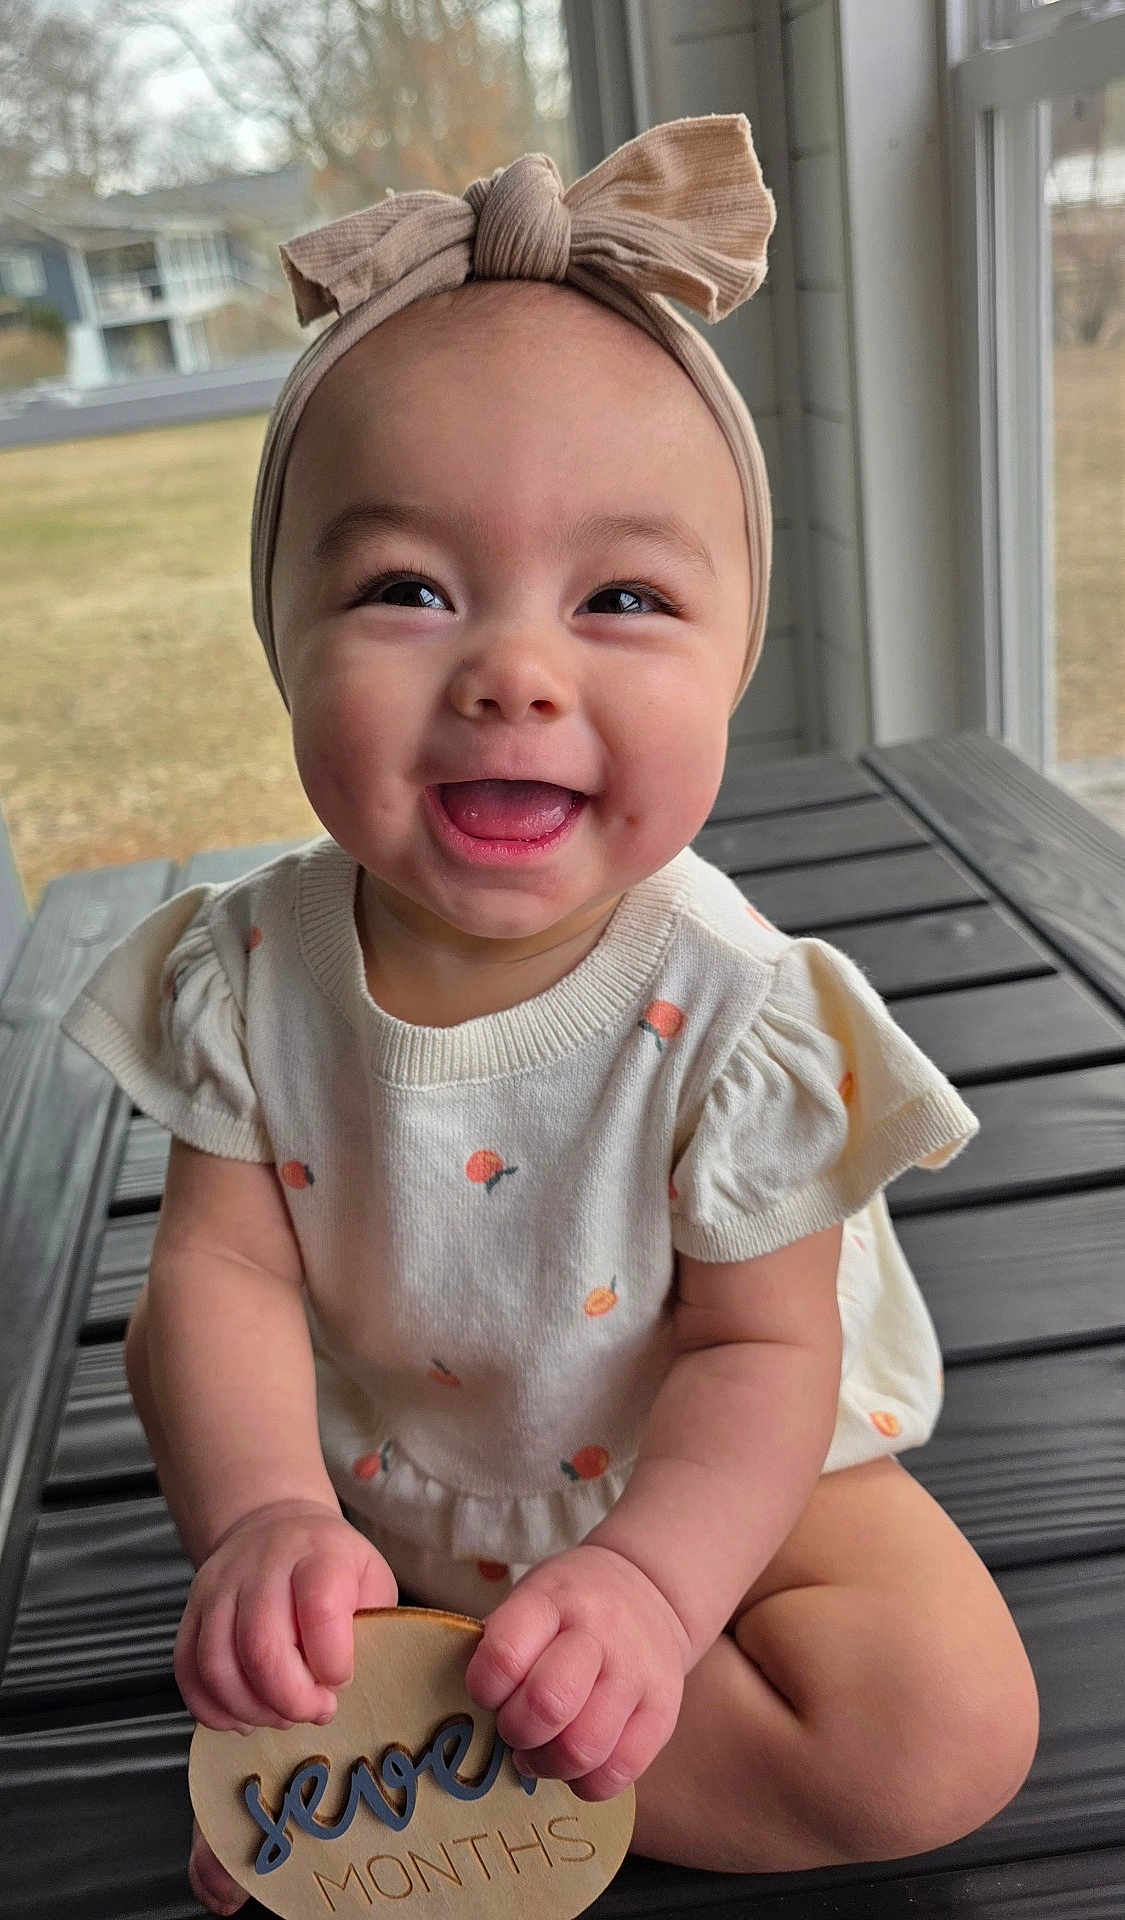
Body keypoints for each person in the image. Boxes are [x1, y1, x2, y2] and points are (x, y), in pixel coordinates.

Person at [61, 114, 1039, 1916]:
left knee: (937, 1727)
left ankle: (413, 1762)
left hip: (694, 1466)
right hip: (369, 1472)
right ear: (282, 638)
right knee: (202, 1392)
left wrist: (659, 1593)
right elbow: (219, 1282)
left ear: (735, 656)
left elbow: (762, 1357)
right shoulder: (247, 968)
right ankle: (395, 1705)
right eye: (407, 589)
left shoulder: (734, 1010)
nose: (515, 670)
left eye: (623, 599)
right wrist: (268, 1518)